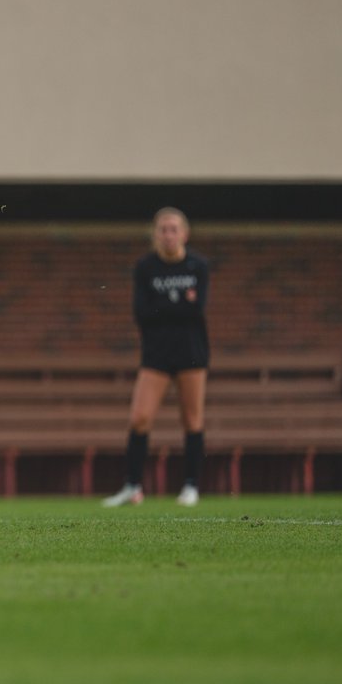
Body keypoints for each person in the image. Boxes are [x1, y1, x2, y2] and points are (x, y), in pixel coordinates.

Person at [104, 207, 209, 508]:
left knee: (192, 420)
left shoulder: (197, 266)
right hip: (156, 355)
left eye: (174, 229)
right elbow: (142, 313)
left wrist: (162, 306)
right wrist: (174, 306)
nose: (168, 234)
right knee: (140, 418)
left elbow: (196, 310)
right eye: (163, 229)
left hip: (192, 353)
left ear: (184, 234)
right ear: (155, 234)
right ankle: (132, 486)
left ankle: (190, 487)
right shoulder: (146, 267)